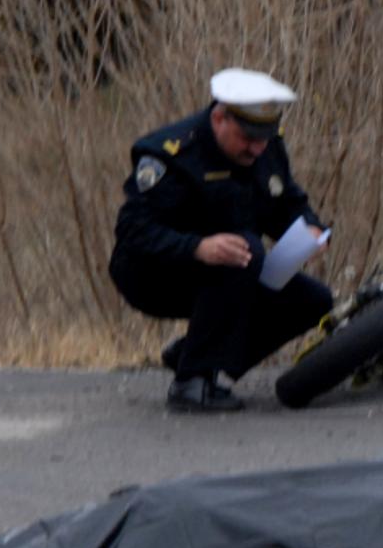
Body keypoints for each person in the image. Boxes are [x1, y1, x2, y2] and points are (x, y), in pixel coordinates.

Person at [109, 68, 333, 412]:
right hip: (153, 273)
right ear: (219, 118)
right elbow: (133, 231)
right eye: (248, 137)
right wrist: (197, 248)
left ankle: (193, 356)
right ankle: (192, 384)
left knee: (313, 301)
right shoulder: (171, 154)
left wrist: (309, 229)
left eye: (264, 137)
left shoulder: (266, 148)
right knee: (244, 250)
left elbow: (284, 199)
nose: (257, 148)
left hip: (230, 268)